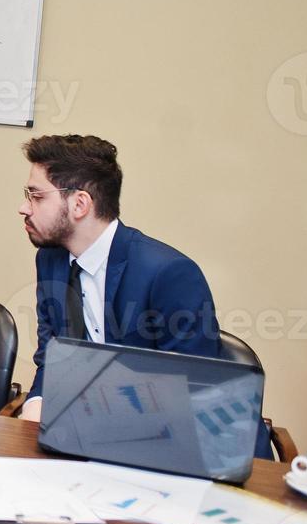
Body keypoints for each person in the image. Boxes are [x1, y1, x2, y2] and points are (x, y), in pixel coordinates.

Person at [18, 134, 220, 422]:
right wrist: (35, 406)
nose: (24, 208)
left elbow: (194, 390)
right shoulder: (51, 259)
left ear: (80, 204)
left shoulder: (169, 273)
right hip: (90, 431)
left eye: (36, 196)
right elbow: (53, 356)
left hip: (176, 436)